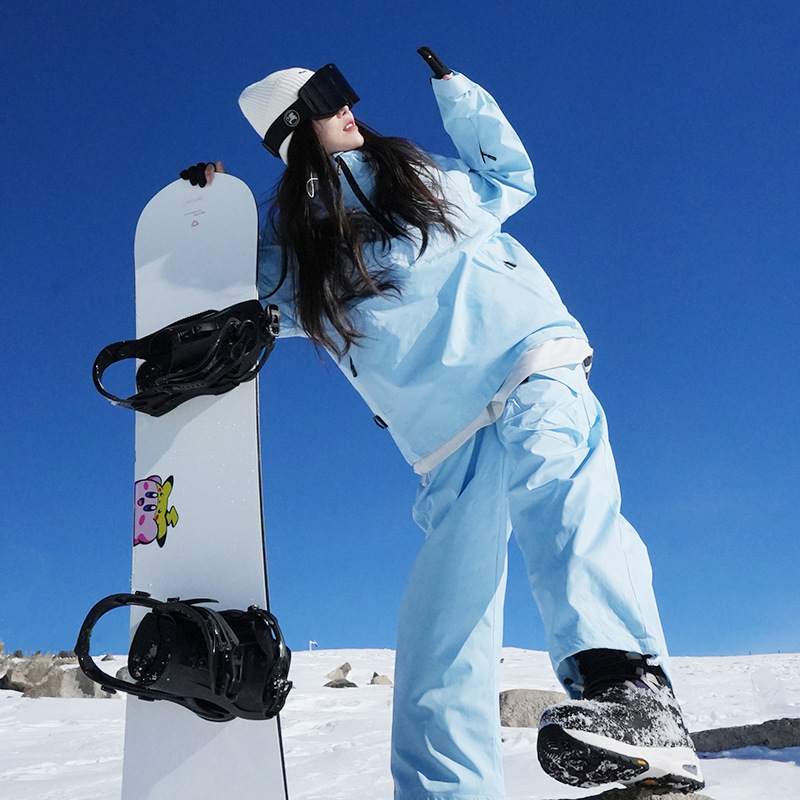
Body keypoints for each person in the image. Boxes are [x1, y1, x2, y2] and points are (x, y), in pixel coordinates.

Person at [181, 49, 704, 798]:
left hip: (527, 359)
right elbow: (247, 288)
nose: (349, 106)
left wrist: (461, 95)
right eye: (328, 100)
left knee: (561, 495)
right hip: (445, 436)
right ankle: (442, 789)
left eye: (342, 91)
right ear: (298, 128)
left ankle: (633, 694)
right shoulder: (309, 255)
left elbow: (512, 176)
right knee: (442, 620)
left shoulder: (425, 177)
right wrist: (214, 211)